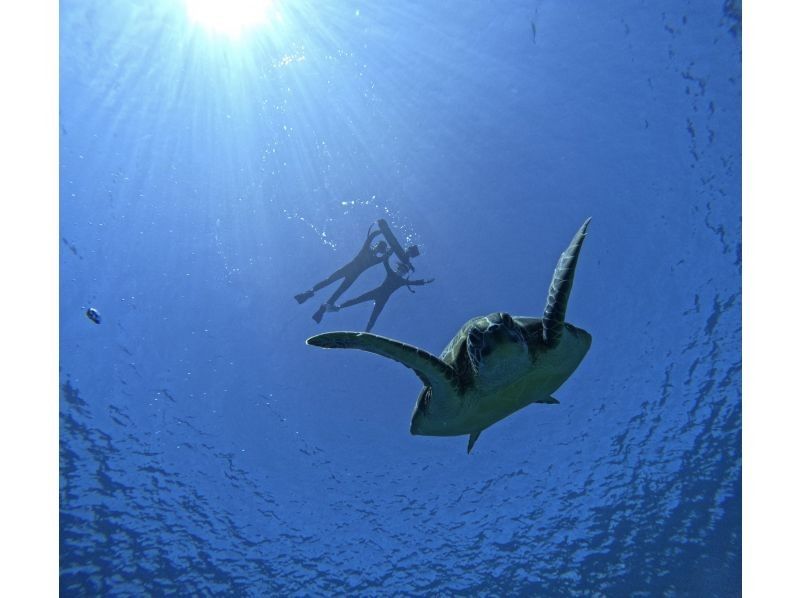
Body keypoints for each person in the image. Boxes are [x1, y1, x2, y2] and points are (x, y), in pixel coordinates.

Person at [294, 224, 393, 323]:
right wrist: (383, 232)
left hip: (349, 272)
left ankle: (322, 307)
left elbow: (378, 246)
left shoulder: (373, 256)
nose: (378, 248)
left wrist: (384, 236)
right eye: (379, 246)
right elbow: (372, 238)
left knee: (337, 289)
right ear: (378, 247)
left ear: (380, 250)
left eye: (380, 248)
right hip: (350, 272)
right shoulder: (370, 253)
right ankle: (309, 293)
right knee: (329, 281)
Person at [330, 257, 434, 332]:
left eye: (404, 271)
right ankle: (338, 307)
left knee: (375, 316)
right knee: (358, 299)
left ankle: (366, 333)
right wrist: (388, 252)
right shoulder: (391, 273)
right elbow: (385, 262)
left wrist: (426, 281)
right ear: (398, 268)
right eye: (402, 269)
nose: (402, 272)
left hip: (383, 299)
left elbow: (414, 283)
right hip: (376, 292)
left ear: (404, 273)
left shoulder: (402, 281)